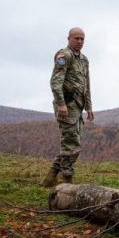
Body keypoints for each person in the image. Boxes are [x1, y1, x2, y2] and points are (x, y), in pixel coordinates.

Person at [42, 27, 94, 187]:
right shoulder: (64, 56)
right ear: (69, 38)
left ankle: (50, 178)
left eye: (82, 39)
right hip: (67, 104)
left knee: (71, 143)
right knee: (72, 144)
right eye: (76, 38)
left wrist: (89, 107)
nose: (79, 42)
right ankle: (67, 179)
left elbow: (87, 84)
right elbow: (56, 82)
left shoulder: (83, 59)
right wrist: (61, 104)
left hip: (77, 106)